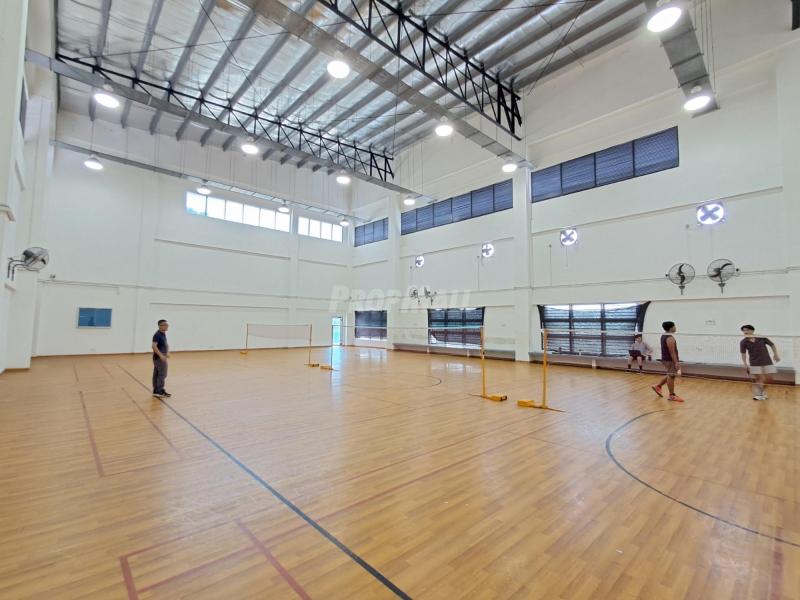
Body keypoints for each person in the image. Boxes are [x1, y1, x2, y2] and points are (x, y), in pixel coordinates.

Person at [740, 324, 780, 401]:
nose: (745, 332)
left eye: (747, 330)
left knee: (770, 379)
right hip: (754, 363)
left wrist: (775, 354)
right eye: (743, 330)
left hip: (767, 361)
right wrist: (745, 364)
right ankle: (759, 394)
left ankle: (761, 391)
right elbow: (743, 353)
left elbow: (772, 345)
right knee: (760, 378)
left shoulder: (761, 337)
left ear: (752, 330)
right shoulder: (743, 342)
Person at [652, 321, 683, 402]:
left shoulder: (664, 335)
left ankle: (658, 386)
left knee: (670, 374)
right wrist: (676, 362)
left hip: (666, 359)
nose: (675, 327)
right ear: (671, 328)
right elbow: (672, 352)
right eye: (674, 326)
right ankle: (671, 395)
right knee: (671, 376)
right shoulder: (670, 338)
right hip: (670, 360)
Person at [152, 319, 171, 399]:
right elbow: (154, 346)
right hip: (159, 358)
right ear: (160, 326)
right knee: (163, 374)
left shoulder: (163, 334)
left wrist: (167, 352)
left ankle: (156, 391)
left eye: (167, 325)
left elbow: (165, 344)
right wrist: (161, 355)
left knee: (157, 374)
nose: (167, 326)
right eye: (165, 325)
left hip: (160, 357)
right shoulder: (157, 335)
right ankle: (159, 391)